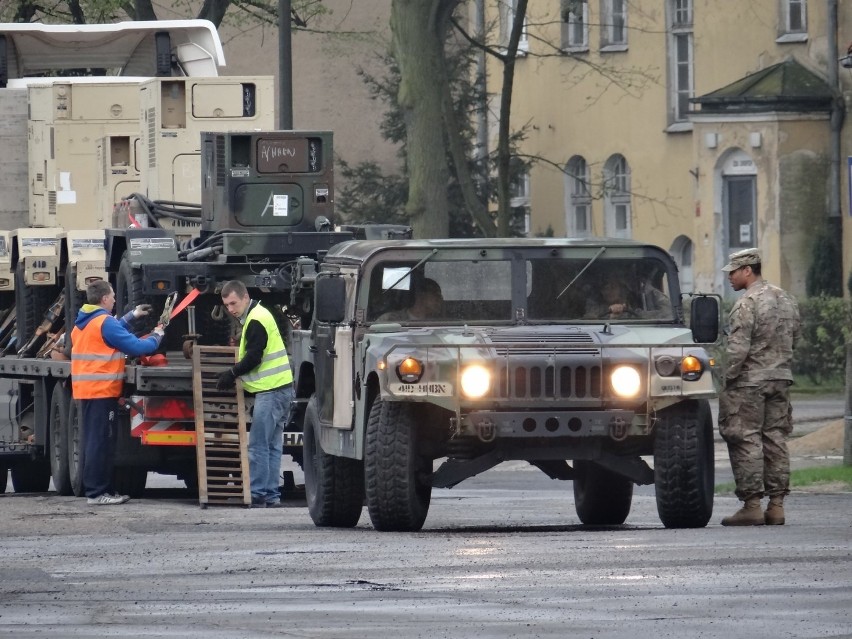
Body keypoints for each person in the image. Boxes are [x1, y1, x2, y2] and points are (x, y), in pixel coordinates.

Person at [718, 247, 801, 526]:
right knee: (776, 439)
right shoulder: (786, 298)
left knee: (746, 439)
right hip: (780, 378)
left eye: (733, 272)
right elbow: (795, 337)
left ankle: (752, 505)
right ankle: (776, 506)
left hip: (749, 382)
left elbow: (737, 350)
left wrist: (726, 380)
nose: (729, 277)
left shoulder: (746, 303)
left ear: (747, 270)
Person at [70, 280, 163, 506]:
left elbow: (112, 332)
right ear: (104, 299)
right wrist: (157, 336)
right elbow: (137, 347)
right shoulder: (104, 322)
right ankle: (97, 492)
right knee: (100, 443)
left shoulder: (84, 321)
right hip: (101, 391)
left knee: (97, 441)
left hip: (90, 391)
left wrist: (133, 315)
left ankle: (101, 490)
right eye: (112, 296)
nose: (113, 299)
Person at [217, 280, 294, 508]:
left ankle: (259, 494)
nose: (230, 309)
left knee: (258, 445)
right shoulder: (259, 314)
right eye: (226, 305)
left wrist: (231, 373)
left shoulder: (256, 319)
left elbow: (254, 357)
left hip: (270, 391)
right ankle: (270, 495)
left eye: (233, 303)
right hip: (280, 388)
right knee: (271, 445)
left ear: (244, 297)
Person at [583, 274, 671, 320]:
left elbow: (668, 313)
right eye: (605, 288)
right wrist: (612, 317)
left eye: (613, 287)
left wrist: (650, 289)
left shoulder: (637, 309)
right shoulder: (596, 310)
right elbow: (588, 322)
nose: (608, 291)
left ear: (622, 289)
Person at [376, 278, 443, 322]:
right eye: (436, 294)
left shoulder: (440, 322)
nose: (440, 299)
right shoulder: (389, 320)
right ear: (421, 295)